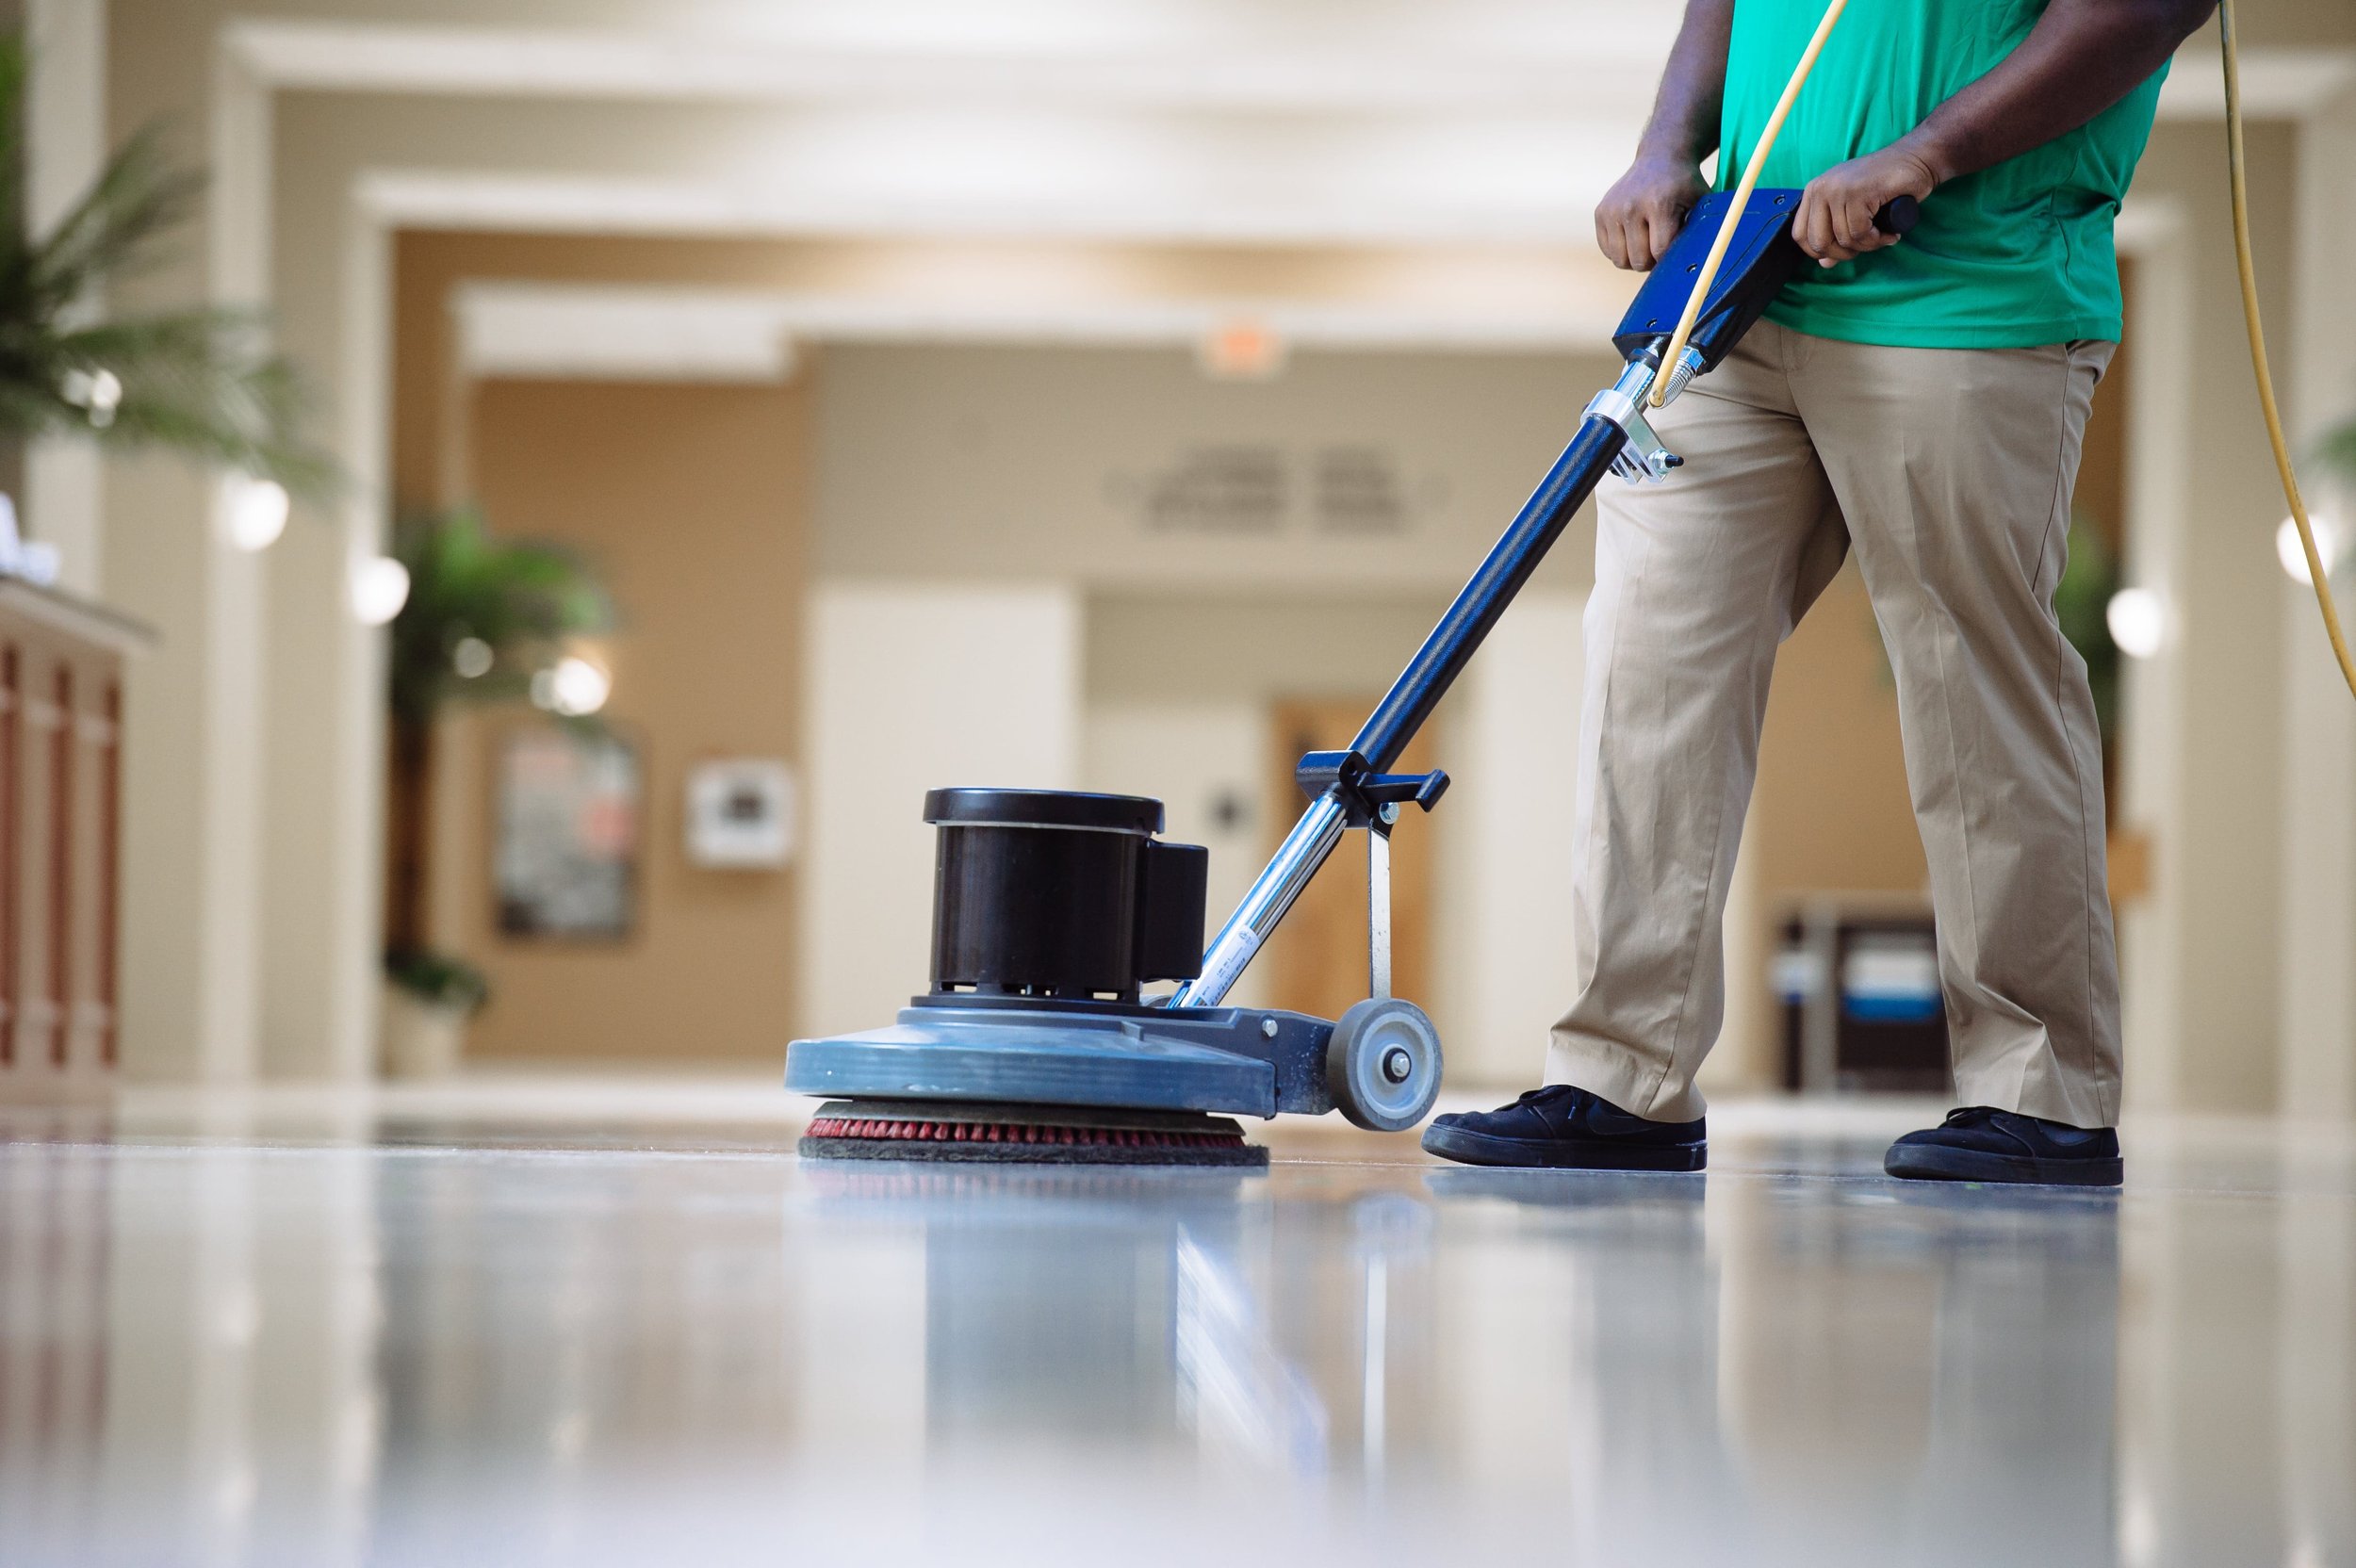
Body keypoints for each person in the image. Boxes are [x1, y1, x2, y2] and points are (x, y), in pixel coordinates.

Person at [1422, 0, 2217, 1186]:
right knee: (1650, 665)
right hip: (1735, 290)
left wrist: (1928, 150)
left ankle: (2039, 1090)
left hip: (1964, 295)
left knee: (1971, 680)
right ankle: (1620, 1072)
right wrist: (1661, 150)